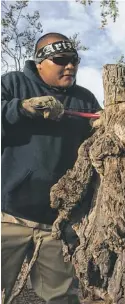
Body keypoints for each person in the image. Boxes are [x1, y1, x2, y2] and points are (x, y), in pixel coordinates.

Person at [1, 32, 101, 303]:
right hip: (7, 216)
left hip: (57, 224)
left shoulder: (85, 99)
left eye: (74, 60)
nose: (70, 66)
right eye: (61, 60)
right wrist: (20, 108)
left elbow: (100, 141)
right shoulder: (12, 84)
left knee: (60, 298)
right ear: (40, 62)